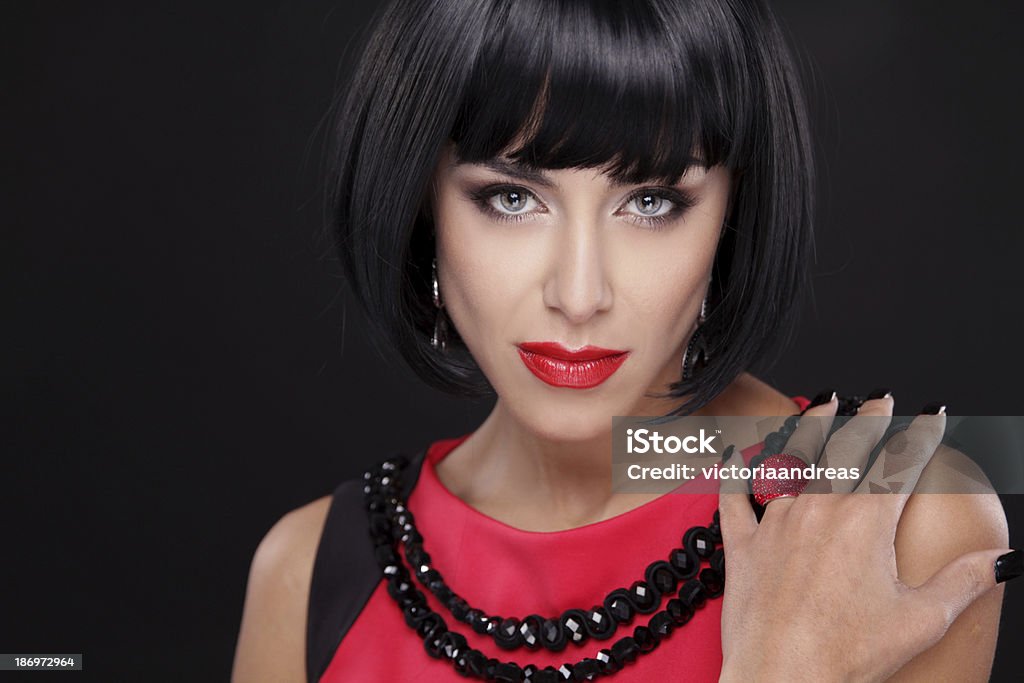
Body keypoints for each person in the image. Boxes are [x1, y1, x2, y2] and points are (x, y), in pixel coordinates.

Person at [231, 0, 1018, 681]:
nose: (579, 295)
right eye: (510, 197)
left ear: (731, 216)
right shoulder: (307, 576)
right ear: (421, 202)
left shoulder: (892, 523)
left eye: (650, 202)